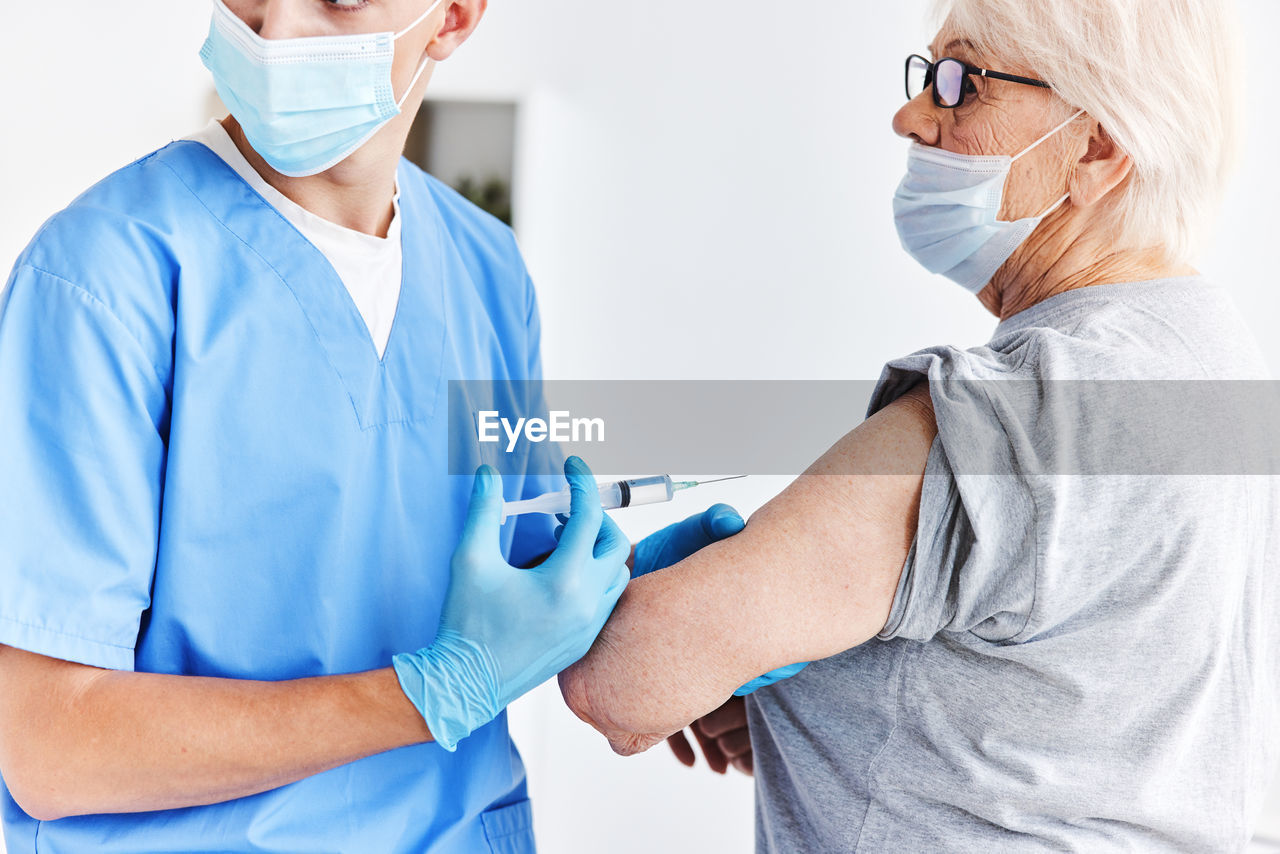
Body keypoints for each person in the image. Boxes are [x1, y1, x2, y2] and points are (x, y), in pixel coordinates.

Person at [0, 2, 741, 851]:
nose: (275, 30)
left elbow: (504, 579)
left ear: (453, 18)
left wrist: (649, 607)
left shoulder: (487, 269)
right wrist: (430, 693)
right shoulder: (104, 277)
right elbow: (52, 747)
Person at [559, 0, 1280, 850]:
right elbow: (1098, 699)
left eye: (961, 84)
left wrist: (635, 602)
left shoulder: (1020, 410)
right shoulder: (1214, 361)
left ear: (1097, 146)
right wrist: (822, 708)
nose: (910, 115)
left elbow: (631, 676)